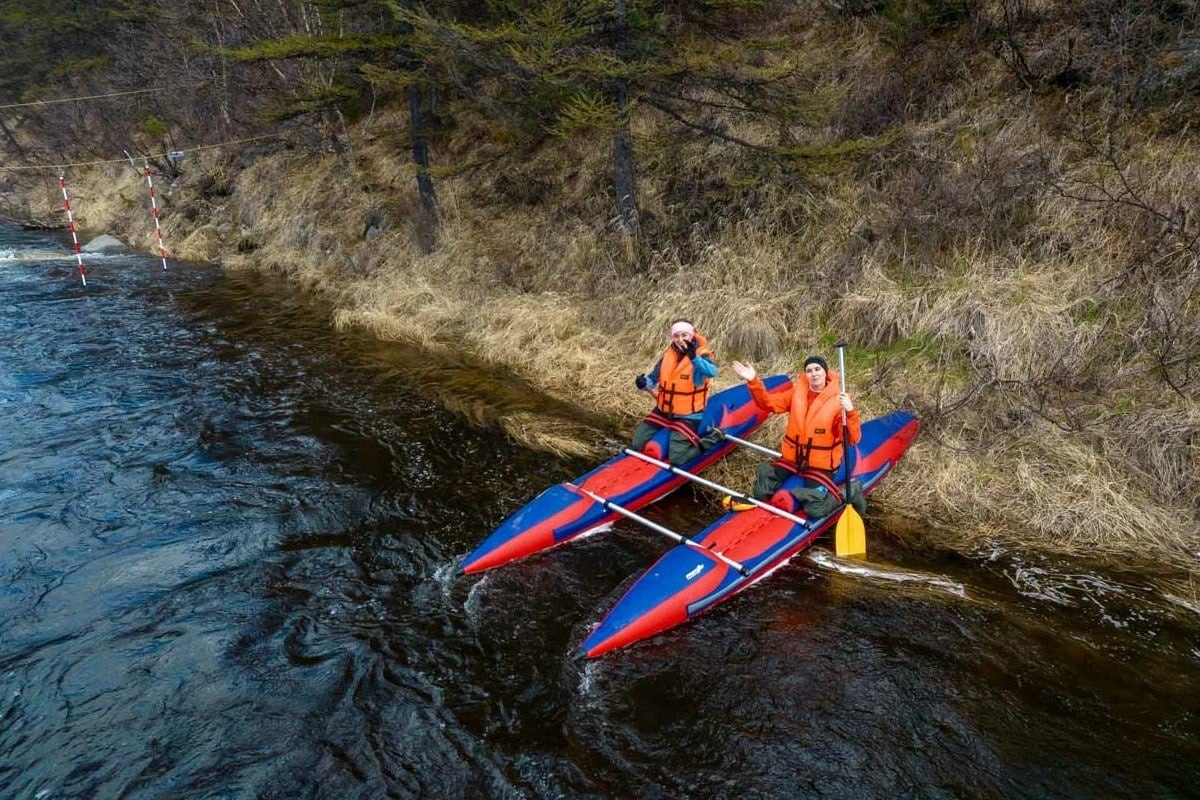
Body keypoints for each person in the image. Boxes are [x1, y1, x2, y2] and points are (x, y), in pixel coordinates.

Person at [730, 354, 865, 516]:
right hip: (793, 460)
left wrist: (850, 412)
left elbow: (852, 438)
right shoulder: (796, 394)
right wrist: (753, 381)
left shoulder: (839, 401)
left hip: (820, 465)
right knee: (760, 491)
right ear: (805, 375)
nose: (813, 374)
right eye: (809, 371)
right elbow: (768, 403)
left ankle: (849, 491)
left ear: (825, 373)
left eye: (817, 369)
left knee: (815, 509)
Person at [632, 319, 724, 464]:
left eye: (684, 335)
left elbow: (713, 372)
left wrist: (694, 358)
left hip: (689, 415)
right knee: (637, 442)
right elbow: (652, 378)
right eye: (676, 336)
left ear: (691, 335)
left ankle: (713, 438)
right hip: (664, 410)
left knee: (677, 458)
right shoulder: (668, 356)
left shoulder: (701, 355)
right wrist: (643, 383)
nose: (680, 340)